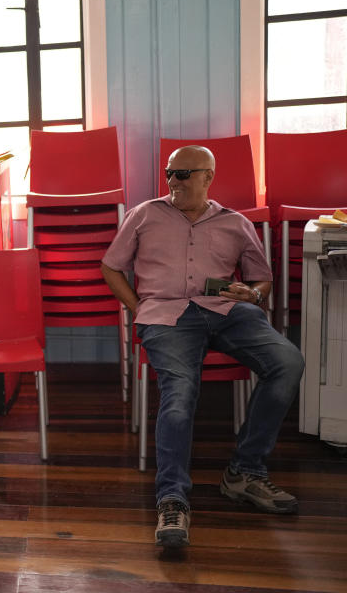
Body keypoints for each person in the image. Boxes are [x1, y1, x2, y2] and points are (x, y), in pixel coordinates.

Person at [101, 145, 304, 550]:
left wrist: (254, 294)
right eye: (169, 174)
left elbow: (261, 278)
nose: (173, 182)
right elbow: (110, 266)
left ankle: (244, 472)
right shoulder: (143, 215)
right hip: (166, 316)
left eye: (184, 174)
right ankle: (172, 497)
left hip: (228, 311)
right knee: (180, 393)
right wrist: (140, 307)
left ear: (208, 176)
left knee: (287, 360)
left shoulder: (235, 222)